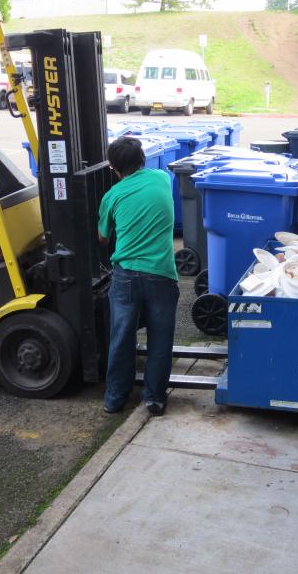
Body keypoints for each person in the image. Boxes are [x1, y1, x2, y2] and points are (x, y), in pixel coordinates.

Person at [98, 136, 180, 417]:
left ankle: (114, 399)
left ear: (113, 167)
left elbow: (102, 237)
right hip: (162, 275)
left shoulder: (112, 196)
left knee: (121, 337)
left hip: (126, 277)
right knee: (161, 338)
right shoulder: (162, 178)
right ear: (143, 159)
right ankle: (155, 398)